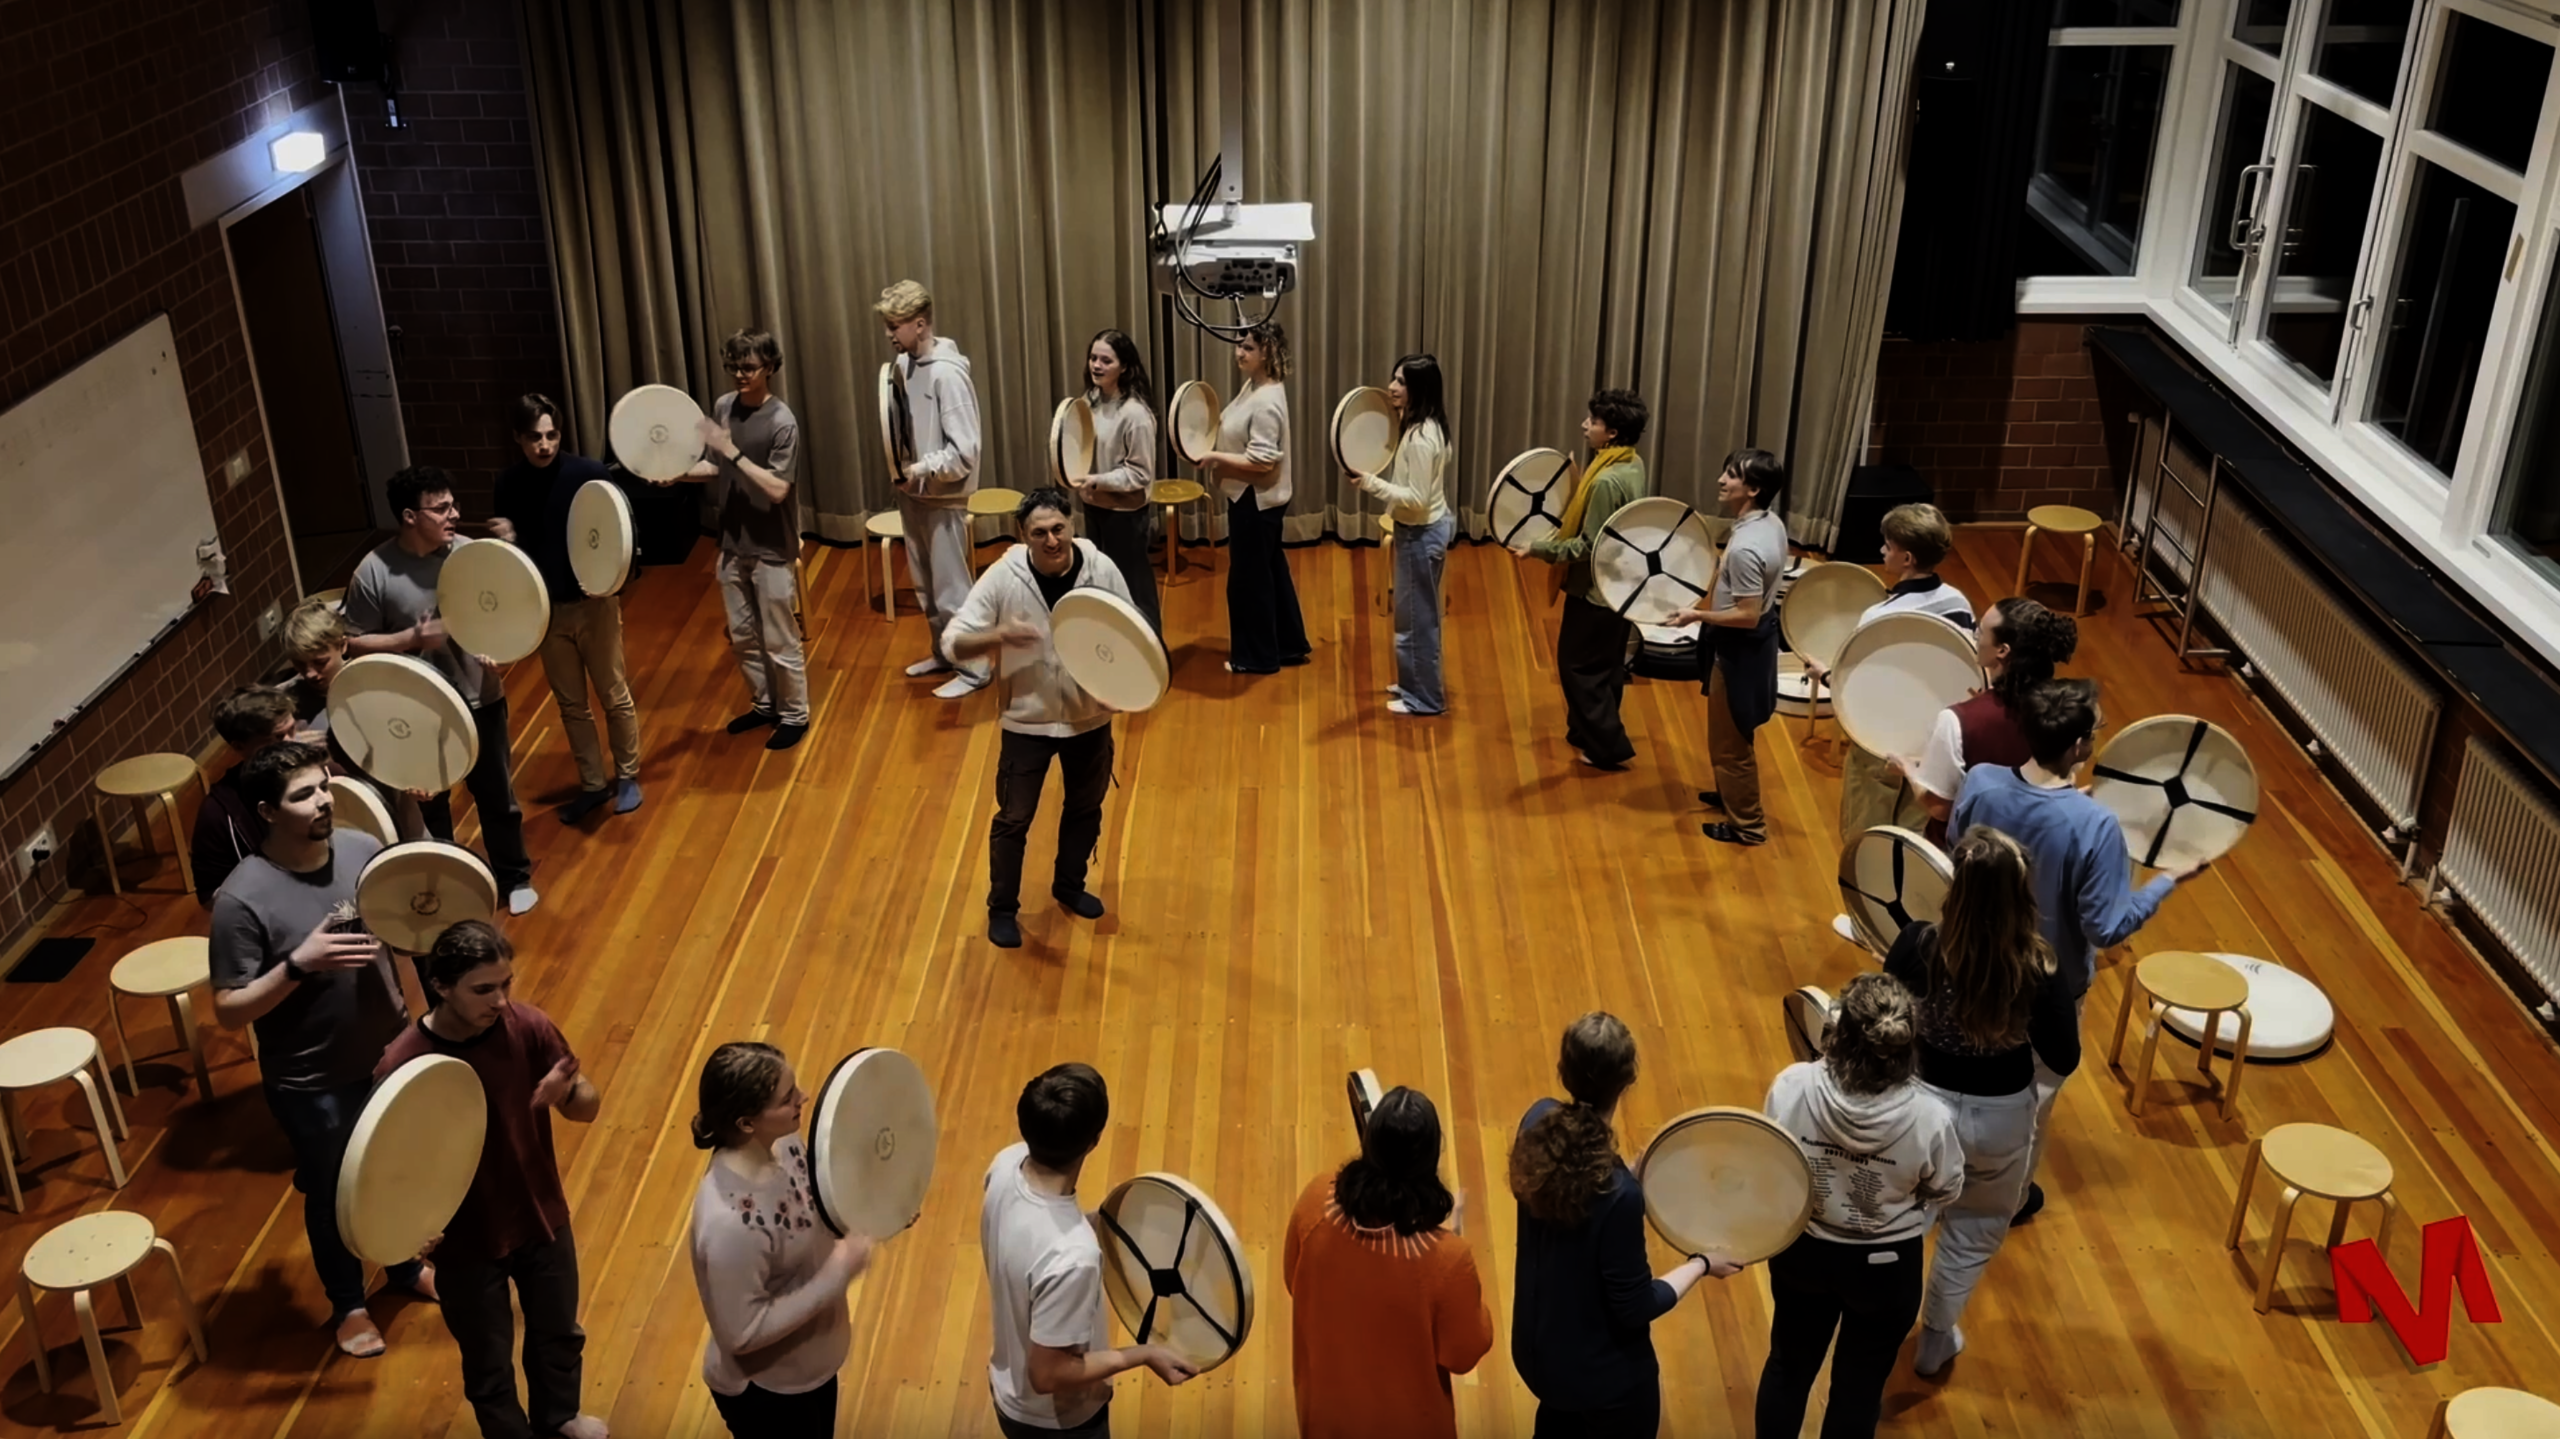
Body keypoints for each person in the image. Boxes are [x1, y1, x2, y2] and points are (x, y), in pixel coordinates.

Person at [1950, 678, 2205, 1222]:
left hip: (1971, 966)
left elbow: (1960, 849)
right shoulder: (2096, 826)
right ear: (2079, 747)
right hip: (2047, 989)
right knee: (2030, 1102)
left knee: (1963, 1079)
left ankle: (1947, 1177)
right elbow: (2107, 927)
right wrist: (2165, 881)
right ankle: (2007, 1201)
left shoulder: (1981, 783)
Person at [207, 740, 430, 1359]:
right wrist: (298, 965)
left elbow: (402, 934)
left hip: (387, 1050)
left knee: (394, 1168)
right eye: (303, 795)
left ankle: (405, 1267)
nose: (324, 800)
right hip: (314, 1079)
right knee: (337, 1191)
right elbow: (228, 1010)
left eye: (325, 786)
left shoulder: (361, 850)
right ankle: (348, 1305)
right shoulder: (241, 899)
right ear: (267, 811)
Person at [378, 921, 608, 1439]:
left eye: (506, 984)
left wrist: (568, 1092)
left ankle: (559, 1417)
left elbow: (588, 1108)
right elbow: (388, 1168)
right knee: (488, 1362)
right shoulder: (403, 1063)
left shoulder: (529, 1026)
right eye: (483, 989)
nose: (501, 1000)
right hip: (465, 1240)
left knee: (559, 1332)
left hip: (539, 1212)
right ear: (440, 985)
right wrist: (409, 1228)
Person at [1880, 826, 2083, 1378]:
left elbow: (1883, 1016)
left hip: (1920, 1109)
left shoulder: (1918, 944)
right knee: (1973, 1230)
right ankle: (1935, 1338)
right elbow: (2064, 1057)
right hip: (1999, 1118)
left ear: (1956, 886)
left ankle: (1878, 1327)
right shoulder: (2040, 967)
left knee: (1903, 1219)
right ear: (2021, 895)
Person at [1510, 1011, 1742, 1435]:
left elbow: (1572, 1183)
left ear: (1564, 1068)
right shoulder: (1618, 1195)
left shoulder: (1535, 1122)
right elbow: (1636, 1306)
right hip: (1600, 1380)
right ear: (1626, 1081)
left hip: (1539, 1356)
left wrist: (1623, 1174)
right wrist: (1702, 1263)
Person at [1756, 972, 1962, 1436]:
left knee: (1788, 1370)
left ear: (1838, 1031)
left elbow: (1769, 1160)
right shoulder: (1930, 1116)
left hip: (1803, 1252)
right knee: (1859, 1388)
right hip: (1885, 1271)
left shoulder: (1792, 1085)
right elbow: (1947, 1186)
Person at [944, 488, 1139, 950]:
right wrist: (999, 635)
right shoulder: (1003, 577)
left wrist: (1119, 689)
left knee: (1085, 808)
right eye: (1039, 533)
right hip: (1025, 724)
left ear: (1072, 525)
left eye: (1058, 529)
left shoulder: (1101, 570)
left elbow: (1131, 634)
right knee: (1014, 818)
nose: (1051, 540)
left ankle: (1069, 885)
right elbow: (953, 643)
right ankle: (1002, 909)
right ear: (1022, 535)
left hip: (1088, 720)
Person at [342, 464, 538, 913]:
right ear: (410, 517)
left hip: (480, 699)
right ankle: (451, 889)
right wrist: (410, 638)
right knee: (431, 807)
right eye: (442, 508)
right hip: (418, 709)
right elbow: (352, 642)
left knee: (497, 796)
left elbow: (505, 614)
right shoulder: (374, 571)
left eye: (454, 505)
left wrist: (500, 650)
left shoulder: (470, 555)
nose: (455, 515)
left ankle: (514, 879)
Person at [982, 1063, 1196, 1436]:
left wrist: (1091, 1222)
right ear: (1094, 1141)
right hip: (1057, 1424)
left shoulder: (1005, 1165)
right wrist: (1144, 1353)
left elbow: (1030, 1240)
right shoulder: (1074, 1258)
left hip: (1007, 1388)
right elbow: (1048, 1374)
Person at [1284, 1085, 1493, 1439]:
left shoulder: (1316, 1200)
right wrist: (1451, 1243)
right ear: (1430, 1160)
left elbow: (1294, 1280)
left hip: (1325, 1421)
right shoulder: (1448, 1260)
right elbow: (1464, 1352)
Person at [688, 1041, 870, 1437]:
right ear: (746, 1123)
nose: (803, 1097)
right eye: (787, 1099)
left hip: (810, 1364)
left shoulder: (783, 1144)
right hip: (769, 1392)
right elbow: (742, 1333)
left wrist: (878, 1204)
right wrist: (837, 1273)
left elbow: (815, 1203)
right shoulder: (730, 1224)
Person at [493, 393, 645, 814]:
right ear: (518, 438)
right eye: (534, 437)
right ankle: (593, 784)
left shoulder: (589, 474)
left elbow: (620, 534)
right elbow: (513, 553)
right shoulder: (507, 484)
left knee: (613, 693)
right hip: (546, 610)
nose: (545, 445)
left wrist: (612, 584)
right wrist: (508, 539)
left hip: (594, 605)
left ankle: (628, 776)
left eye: (552, 435)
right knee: (571, 704)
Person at [668, 329, 809, 750]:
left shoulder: (782, 421)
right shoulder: (724, 407)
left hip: (771, 547)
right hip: (732, 542)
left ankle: (795, 714)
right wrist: (676, 473)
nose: (740, 375)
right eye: (733, 366)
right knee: (743, 634)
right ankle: (764, 704)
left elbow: (778, 488)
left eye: (748, 367)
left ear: (770, 367)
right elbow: (717, 467)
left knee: (780, 637)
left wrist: (733, 452)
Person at [1816, 503, 1973, 840]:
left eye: (1888, 546)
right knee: (1915, 834)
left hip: (1881, 739)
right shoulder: (1958, 602)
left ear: (1907, 558)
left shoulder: (1879, 617)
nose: (1882, 551)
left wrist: (1827, 675)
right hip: (1933, 742)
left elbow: (1857, 689)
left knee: (1866, 833)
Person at [1669, 449, 1791, 846]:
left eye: (1732, 475)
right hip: (1750, 644)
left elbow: (1747, 615)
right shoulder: (1769, 522)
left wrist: (1696, 615)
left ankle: (1748, 826)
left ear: (1753, 489)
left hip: (1740, 649)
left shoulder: (1745, 548)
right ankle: (1729, 794)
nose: (1722, 480)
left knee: (1730, 744)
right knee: (1732, 733)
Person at [879, 281, 991, 699]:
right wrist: (906, 473)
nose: (890, 333)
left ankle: (975, 668)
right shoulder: (904, 365)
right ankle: (945, 653)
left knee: (951, 588)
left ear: (920, 324)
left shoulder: (947, 374)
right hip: (915, 493)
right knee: (926, 586)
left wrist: (922, 469)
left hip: (943, 496)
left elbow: (965, 452)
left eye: (895, 325)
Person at [1528, 390, 1651, 769]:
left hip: (1596, 591)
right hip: (1622, 586)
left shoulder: (1604, 482)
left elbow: (1588, 546)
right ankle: (1584, 731)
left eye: (1593, 421)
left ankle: (1607, 747)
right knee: (1607, 665)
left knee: (1578, 667)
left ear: (1612, 432)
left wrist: (1538, 549)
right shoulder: (1632, 463)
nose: (1585, 425)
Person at [1897, 596, 2079, 843]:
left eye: (1981, 631)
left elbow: (1940, 809)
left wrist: (1908, 770)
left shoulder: (1957, 721)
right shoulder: (2069, 713)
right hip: (2035, 848)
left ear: (2002, 650)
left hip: (1969, 855)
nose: (1976, 637)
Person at [1196, 321, 1309, 675]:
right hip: (1256, 499)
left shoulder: (1266, 401)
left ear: (1267, 352)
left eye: (1248, 348)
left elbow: (1262, 461)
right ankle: (1287, 645)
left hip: (1255, 501)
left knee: (1249, 580)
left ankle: (1256, 657)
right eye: (1239, 345)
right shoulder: (1255, 386)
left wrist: (1214, 458)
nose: (1239, 353)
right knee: (1270, 571)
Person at [1354, 353, 1456, 716]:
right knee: (1412, 617)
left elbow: (1417, 498)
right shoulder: (1425, 425)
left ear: (1419, 389)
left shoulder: (1421, 438)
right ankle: (1413, 683)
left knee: (1416, 621)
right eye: (1394, 378)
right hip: (1422, 530)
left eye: (1401, 382)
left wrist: (1370, 483)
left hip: (1420, 534)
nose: (1392, 387)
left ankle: (1425, 699)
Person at [1071, 329, 1162, 635]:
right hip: (1094, 506)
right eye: (1093, 358)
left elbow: (1140, 474)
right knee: (1101, 582)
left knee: (1132, 586)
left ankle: (1151, 646)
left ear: (1124, 366)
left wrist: (1098, 480)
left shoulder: (1135, 414)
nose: (1096, 365)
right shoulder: (1089, 401)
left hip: (1125, 515)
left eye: (1106, 360)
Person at [192, 684, 298, 905]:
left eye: (292, 730)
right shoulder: (218, 814)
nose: (292, 743)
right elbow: (210, 896)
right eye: (278, 737)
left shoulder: (327, 774)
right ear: (239, 746)